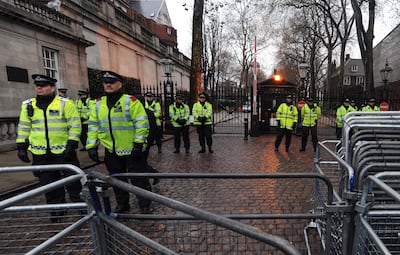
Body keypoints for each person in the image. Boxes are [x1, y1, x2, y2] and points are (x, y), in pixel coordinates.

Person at [16, 74, 83, 222]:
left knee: (73, 182)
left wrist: (71, 144)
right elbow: (24, 127)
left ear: (52, 87)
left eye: (43, 85)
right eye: (37, 85)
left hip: (64, 151)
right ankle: (57, 210)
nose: (39, 87)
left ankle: (82, 208)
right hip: (40, 153)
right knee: (49, 184)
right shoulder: (28, 105)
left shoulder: (65, 103)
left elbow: (75, 125)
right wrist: (21, 146)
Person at [86, 70, 152, 214]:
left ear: (120, 84)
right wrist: (91, 146)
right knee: (116, 179)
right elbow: (93, 126)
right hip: (111, 150)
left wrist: (138, 144)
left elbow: (141, 124)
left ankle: (145, 203)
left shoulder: (131, 101)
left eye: (112, 82)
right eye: (106, 82)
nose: (108, 85)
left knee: (138, 179)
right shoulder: (97, 104)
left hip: (132, 149)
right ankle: (123, 204)